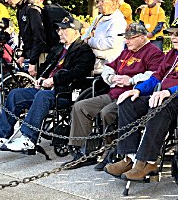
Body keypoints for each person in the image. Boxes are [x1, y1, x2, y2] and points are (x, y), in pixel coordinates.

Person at [104, 17, 178, 182]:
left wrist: (169, 92)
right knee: (128, 102)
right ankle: (130, 157)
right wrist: (137, 90)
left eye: (177, 34)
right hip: (161, 96)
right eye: (171, 34)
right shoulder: (171, 54)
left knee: (160, 105)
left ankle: (148, 162)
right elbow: (156, 78)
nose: (173, 37)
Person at [0, 15, 95, 151]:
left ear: (76, 32)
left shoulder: (84, 51)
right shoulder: (58, 48)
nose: (60, 32)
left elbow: (77, 73)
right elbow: (46, 67)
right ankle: (1, 135)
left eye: (65, 29)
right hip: (47, 89)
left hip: (66, 92)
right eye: (59, 29)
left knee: (43, 96)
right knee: (15, 94)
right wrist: (41, 78)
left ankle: (28, 138)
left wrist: (54, 80)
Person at [64, 22, 164, 169]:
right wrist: (111, 78)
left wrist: (131, 80)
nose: (126, 41)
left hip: (132, 97)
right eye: (125, 37)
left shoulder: (153, 53)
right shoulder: (126, 52)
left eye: (131, 38)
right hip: (113, 93)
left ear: (142, 37)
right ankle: (81, 152)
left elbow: (155, 75)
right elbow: (109, 67)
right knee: (81, 106)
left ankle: (111, 151)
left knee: (107, 113)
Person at [0, 0, 46, 77]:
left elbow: (39, 38)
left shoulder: (32, 9)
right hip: (31, 53)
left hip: (41, 54)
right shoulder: (20, 10)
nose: (6, 1)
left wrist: (32, 62)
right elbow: (26, 36)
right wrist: (23, 55)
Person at [82, 0, 127, 74]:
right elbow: (87, 35)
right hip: (92, 60)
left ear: (113, 4)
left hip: (106, 65)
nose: (98, 5)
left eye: (102, 2)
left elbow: (112, 43)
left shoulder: (117, 21)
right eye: (98, 2)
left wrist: (89, 41)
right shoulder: (98, 18)